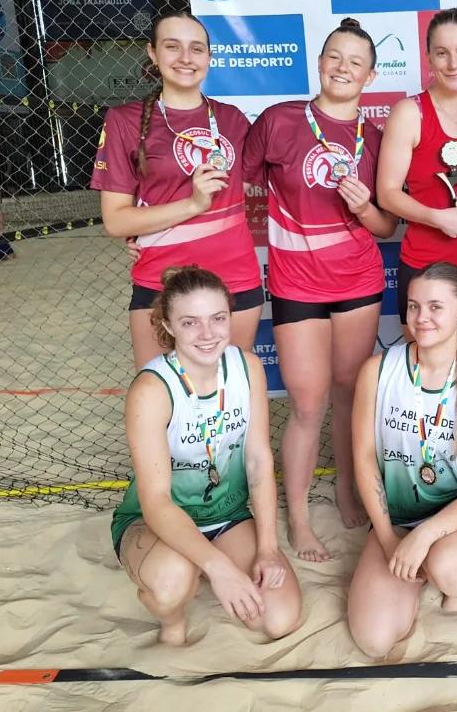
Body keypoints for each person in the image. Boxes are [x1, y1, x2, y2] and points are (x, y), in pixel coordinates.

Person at [242, 18, 397, 561]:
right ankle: (302, 519)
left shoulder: (375, 138)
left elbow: (386, 228)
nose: (343, 67)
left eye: (355, 62)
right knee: (306, 404)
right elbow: (229, 184)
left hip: (358, 280)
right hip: (296, 283)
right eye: (335, 56)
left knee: (350, 393)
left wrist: (362, 207)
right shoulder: (280, 121)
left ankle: (352, 490)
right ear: (319, 61)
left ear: (370, 75)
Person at [110, 265, 301, 645]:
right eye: (191, 322)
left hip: (226, 515)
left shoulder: (247, 367)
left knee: (279, 620)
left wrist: (267, 548)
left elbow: (258, 461)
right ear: (168, 324)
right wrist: (221, 570)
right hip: (160, 521)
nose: (208, 333)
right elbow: (157, 502)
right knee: (170, 584)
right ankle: (172, 620)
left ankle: (207, 563)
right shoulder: (151, 389)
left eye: (217, 318)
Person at [346, 262, 457, 658]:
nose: (422, 318)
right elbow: (364, 459)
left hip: (456, 518)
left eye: (436, 307)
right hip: (397, 517)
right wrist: (387, 538)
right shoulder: (377, 371)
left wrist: (426, 535)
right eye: (414, 306)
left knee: (450, 569)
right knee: (374, 640)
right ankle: (412, 571)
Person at [92, 11, 262, 368]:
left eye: (197, 49)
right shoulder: (124, 120)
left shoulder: (232, 119)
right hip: (161, 281)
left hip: (235, 277)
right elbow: (116, 222)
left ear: (209, 58)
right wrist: (192, 205)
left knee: (230, 393)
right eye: (173, 47)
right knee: (162, 397)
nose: (186, 58)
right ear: (153, 53)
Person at [377, 8, 457, 364]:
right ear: (429, 56)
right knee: (429, 378)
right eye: (442, 52)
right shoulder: (409, 113)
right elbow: (387, 193)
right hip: (424, 266)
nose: (453, 63)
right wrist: (438, 218)